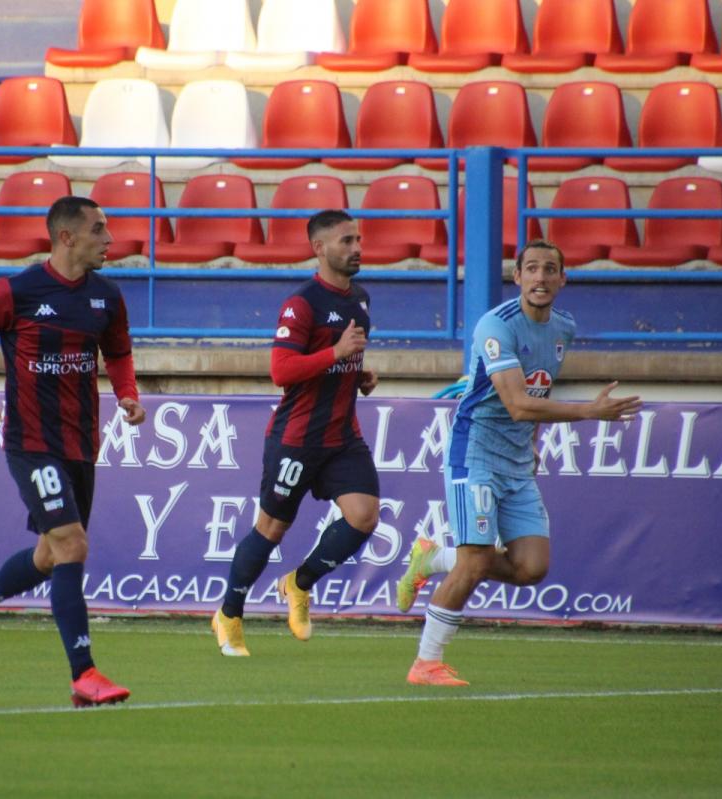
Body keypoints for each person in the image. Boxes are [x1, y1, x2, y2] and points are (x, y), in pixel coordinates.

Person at [402, 240, 642, 686]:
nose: (541, 278)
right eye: (531, 269)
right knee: (473, 563)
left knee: (532, 567)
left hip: (514, 461)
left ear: (563, 279)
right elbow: (515, 402)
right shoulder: (496, 325)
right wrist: (590, 411)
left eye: (551, 269)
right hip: (474, 454)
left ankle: (433, 558)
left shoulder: (562, 328)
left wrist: (531, 442)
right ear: (517, 278)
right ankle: (426, 664)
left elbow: (538, 390)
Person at [0, 196, 145, 707]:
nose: (109, 239)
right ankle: (84, 674)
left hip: (81, 444)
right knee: (73, 545)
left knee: (48, 554)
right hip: (31, 444)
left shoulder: (107, 297)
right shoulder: (15, 291)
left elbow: (119, 353)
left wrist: (128, 394)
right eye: (100, 230)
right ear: (66, 238)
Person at [211, 209, 380, 657]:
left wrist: (358, 372)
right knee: (270, 530)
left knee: (364, 515)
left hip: (342, 436)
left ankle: (299, 583)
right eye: (346, 241)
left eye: (358, 239)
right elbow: (281, 370)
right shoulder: (301, 303)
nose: (356, 248)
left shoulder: (360, 297)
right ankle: (228, 614)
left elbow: (342, 360)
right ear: (319, 248)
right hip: (298, 438)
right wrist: (337, 352)